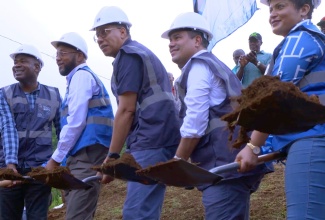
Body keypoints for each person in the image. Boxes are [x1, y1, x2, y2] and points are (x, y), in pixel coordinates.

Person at [161, 12, 269, 220]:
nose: (171, 44)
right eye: (170, 39)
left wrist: (178, 161)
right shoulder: (211, 64)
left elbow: (195, 121)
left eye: (177, 38)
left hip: (223, 166)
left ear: (197, 40)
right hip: (232, 161)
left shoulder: (199, 66)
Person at [236, 0, 325, 219]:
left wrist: (253, 146)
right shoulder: (311, 39)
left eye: (280, 6)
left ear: (304, 9)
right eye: (271, 8)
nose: (273, 14)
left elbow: (277, 97)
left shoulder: (299, 40)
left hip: (312, 139)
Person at [90, 6, 181, 219]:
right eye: (97, 36)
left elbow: (126, 109)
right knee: (147, 207)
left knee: (136, 213)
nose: (100, 39)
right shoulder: (138, 52)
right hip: (160, 134)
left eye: (105, 31)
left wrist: (112, 156)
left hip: (151, 137)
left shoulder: (128, 56)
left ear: (123, 31)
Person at [45, 32, 114, 220]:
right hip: (82, 154)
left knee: (77, 215)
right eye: (57, 54)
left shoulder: (81, 77)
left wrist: (55, 160)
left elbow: (75, 122)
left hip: (88, 154)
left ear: (80, 55)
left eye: (63, 53)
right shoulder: (76, 80)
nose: (58, 58)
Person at [0, 44, 61, 220]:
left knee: (37, 216)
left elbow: (63, 130)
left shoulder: (54, 95)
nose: (16, 65)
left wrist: (59, 164)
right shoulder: (4, 94)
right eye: (15, 62)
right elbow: (7, 128)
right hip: (9, 170)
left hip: (40, 169)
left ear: (37, 67)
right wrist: (11, 166)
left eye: (23, 61)